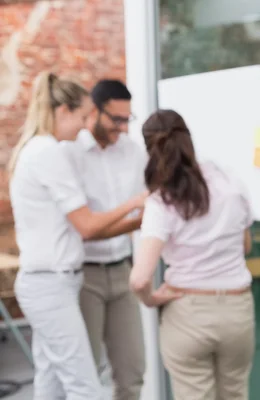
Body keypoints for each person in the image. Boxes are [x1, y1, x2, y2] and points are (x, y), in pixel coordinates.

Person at [8, 72, 146, 399]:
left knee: (52, 379)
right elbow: (86, 226)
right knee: (84, 386)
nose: (85, 126)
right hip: (54, 282)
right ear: (63, 112)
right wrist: (136, 206)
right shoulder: (51, 152)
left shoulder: (38, 149)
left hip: (55, 280)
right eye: (82, 117)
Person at [129, 109, 255, 400]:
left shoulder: (162, 200)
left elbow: (139, 279)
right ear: (188, 138)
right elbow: (244, 246)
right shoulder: (230, 181)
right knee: (236, 394)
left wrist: (152, 299)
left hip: (188, 311)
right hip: (237, 310)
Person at [60, 79, 147, 400]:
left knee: (132, 370)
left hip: (123, 270)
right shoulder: (68, 153)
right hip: (85, 275)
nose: (123, 128)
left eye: (128, 119)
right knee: (84, 373)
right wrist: (136, 215)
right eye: (116, 119)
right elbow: (85, 227)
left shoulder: (133, 151)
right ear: (94, 111)